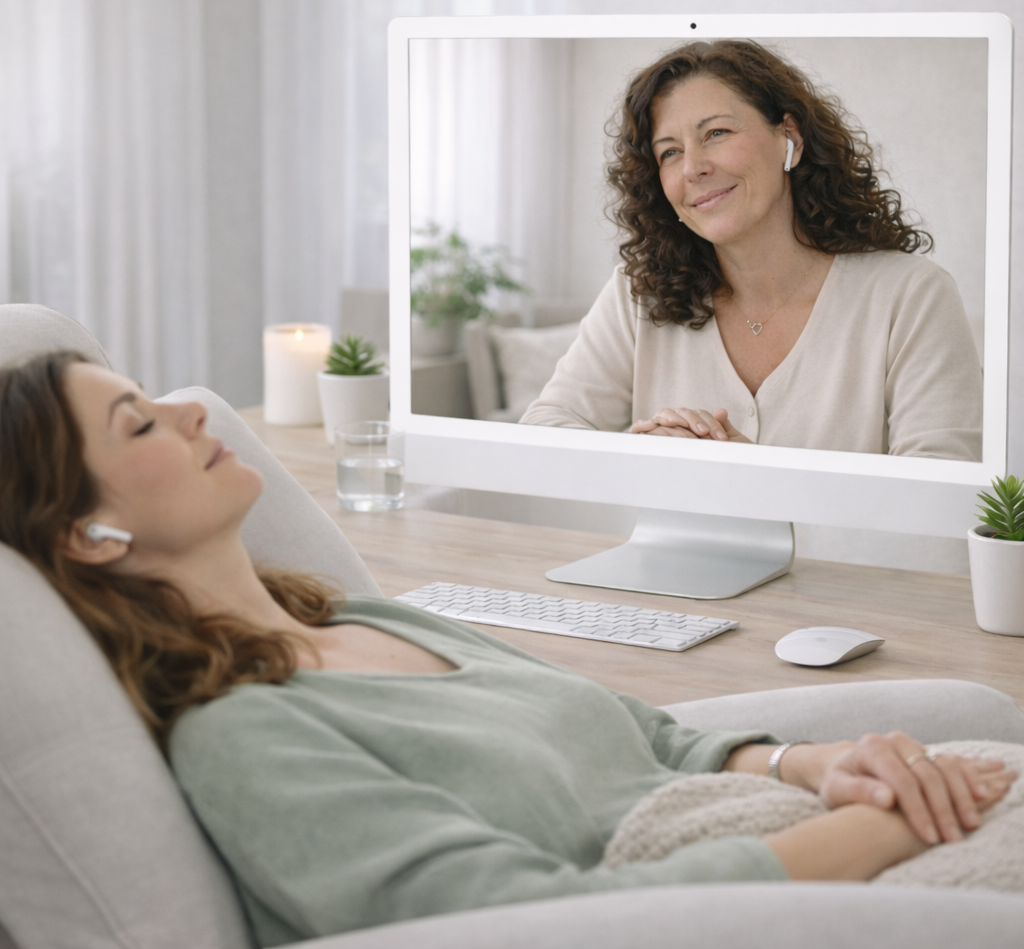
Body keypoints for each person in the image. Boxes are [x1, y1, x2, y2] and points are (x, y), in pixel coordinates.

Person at [0, 351, 1012, 946]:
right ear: (92, 535)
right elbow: (531, 920)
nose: (188, 408)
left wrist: (815, 763)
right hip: (738, 898)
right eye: (140, 425)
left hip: (784, 825)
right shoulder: (247, 737)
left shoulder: (357, 618)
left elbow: (645, 735)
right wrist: (898, 823)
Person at [520, 40, 983, 461]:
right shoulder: (638, 291)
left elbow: (941, 493)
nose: (694, 168)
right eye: (669, 153)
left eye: (717, 133)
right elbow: (545, 429)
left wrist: (755, 480)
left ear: (791, 139)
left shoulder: (912, 295)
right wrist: (650, 452)